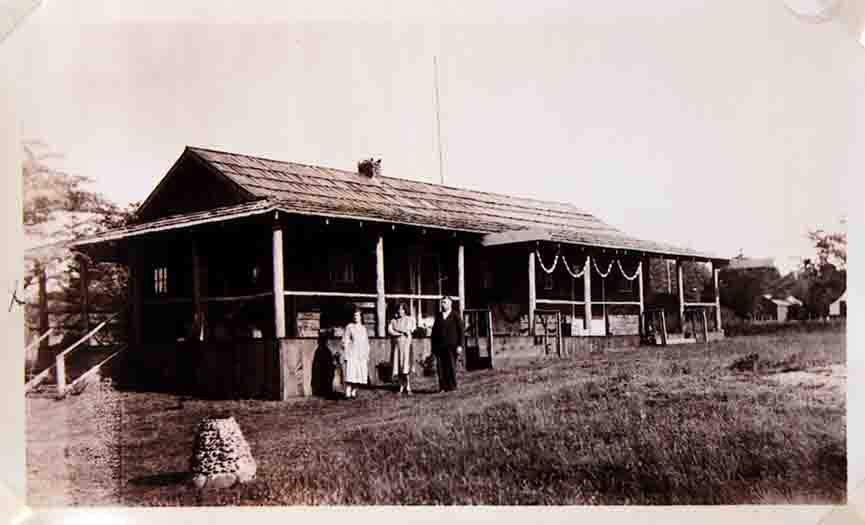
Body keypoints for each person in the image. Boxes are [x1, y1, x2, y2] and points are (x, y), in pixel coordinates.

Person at [430, 296, 464, 392]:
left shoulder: (455, 315)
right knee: (440, 367)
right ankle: (442, 387)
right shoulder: (439, 315)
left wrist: (460, 346)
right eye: (442, 302)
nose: (442, 304)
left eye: (444, 302)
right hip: (439, 347)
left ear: (450, 304)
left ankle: (452, 386)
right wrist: (433, 347)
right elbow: (434, 332)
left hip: (452, 346)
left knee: (451, 366)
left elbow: (461, 331)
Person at [341, 308, 370, 399]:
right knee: (351, 373)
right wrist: (346, 349)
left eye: (358, 315)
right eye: (355, 315)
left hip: (361, 353)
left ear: (361, 317)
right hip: (352, 352)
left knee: (359, 373)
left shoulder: (363, 328)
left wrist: (367, 353)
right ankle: (348, 392)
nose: (356, 317)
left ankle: (354, 391)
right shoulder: (350, 327)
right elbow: (345, 339)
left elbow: (366, 342)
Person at [388, 302, 417, 394]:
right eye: (399, 309)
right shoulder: (394, 321)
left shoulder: (410, 319)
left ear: (405, 310)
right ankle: (401, 386)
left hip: (407, 345)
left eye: (402, 309)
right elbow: (390, 330)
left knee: (406, 365)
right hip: (397, 346)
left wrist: (403, 331)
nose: (400, 311)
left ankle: (408, 386)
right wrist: (399, 333)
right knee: (399, 365)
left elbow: (410, 329)